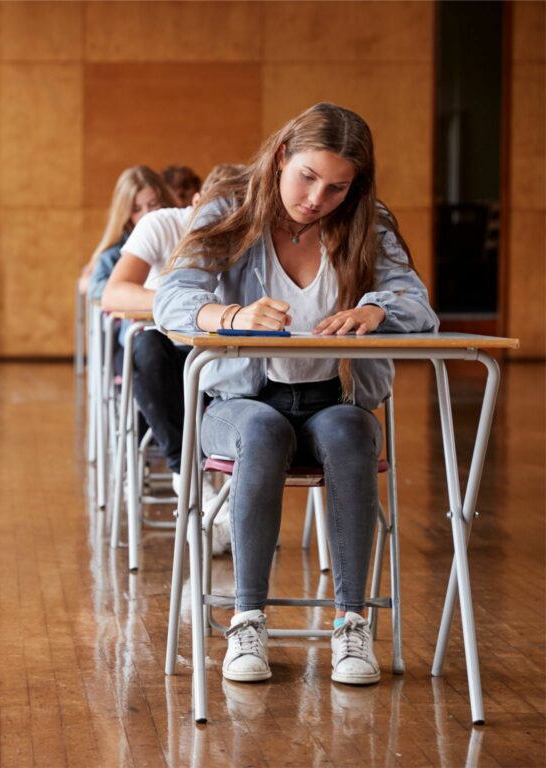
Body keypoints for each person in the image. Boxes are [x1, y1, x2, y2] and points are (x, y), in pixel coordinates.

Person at [154, 103, 438, 686]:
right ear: (282, 156)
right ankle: (246, 619)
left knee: (353, 431)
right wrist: (233, 314)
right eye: (308, 176)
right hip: (239, 406)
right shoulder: (229, 209)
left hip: (332, 399)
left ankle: (353, 625)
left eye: (337, 188)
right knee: (262, 431)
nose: (316, 199)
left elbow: (419, 305)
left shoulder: (367, 221)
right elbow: (171, 298)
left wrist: (374, 308)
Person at [102, 164, 245, 555]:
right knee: (146, 348)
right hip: (167, 343)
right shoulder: (162, 224)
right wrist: (191, 306)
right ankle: (187, 472)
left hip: (223, 351)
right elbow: (113, 295)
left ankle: (234, 496)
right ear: (196, 202)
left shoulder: (250, 234)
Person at [79, 166, 176, 299]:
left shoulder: (178, 231)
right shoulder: (116, 251)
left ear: (164, 201)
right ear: (126, 213)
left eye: (153, 204)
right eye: (137, 209)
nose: (147, 214)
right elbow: (96, 288)